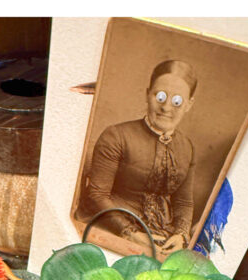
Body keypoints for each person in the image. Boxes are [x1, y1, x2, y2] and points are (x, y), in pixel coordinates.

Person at [81, 59, 198, 257]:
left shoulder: (187, 147)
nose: (166, 107)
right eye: (160, 97)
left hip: (164, 236)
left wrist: (181, 234)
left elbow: (184, 202)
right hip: (110, 226)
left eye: (177, 101)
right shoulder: (116, 135)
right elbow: (97, 195)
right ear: (147, 94)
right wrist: (130, 233)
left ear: (188, 104)